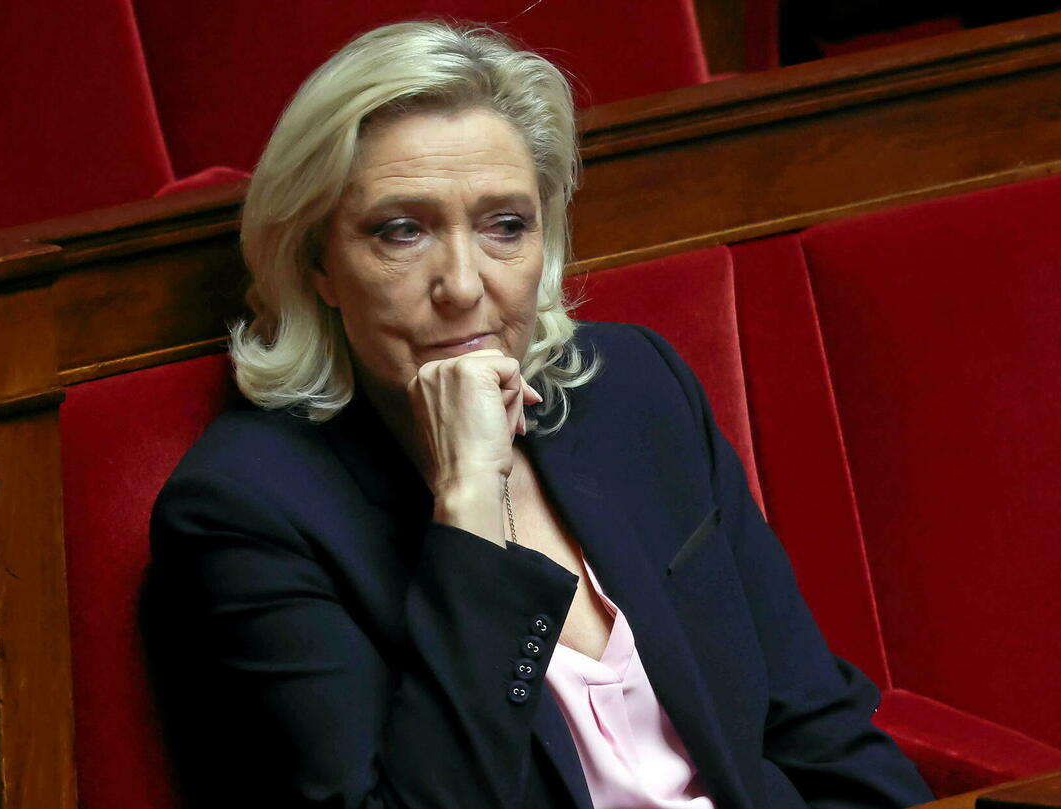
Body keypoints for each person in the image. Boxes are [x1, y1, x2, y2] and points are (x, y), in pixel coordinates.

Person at [145, 20, 932, 809]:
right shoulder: (245, 511)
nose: (462, 285)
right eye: (401, 231)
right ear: (316, 261)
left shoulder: (635, 386)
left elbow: (814, 720)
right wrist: (467, 505)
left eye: (505, 225)